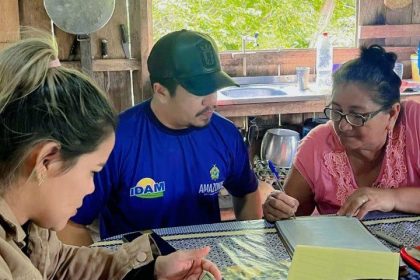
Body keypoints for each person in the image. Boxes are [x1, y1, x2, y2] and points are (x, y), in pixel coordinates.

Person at [0, 32, 221, 279]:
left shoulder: (32, 229)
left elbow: (61, 264)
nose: (91, 188)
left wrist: (151, 270)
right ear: (46, 160)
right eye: (93, 171)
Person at [58, 29, 262, 245]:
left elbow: (247, 192)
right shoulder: (116, 141)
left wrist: (248, 250)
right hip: (138, 268)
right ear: (161, 91)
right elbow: (70, 225)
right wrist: (106, 270)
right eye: (200, 90)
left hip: (205, 265)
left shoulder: (225, 134)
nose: (211, 101)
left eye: (214, 88)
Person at [263, 45, 420, 221]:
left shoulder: (414, 123)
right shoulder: (318, 145)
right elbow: (291, 215)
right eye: (336, 112)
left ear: (392, 114)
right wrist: (277, 210)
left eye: (357, 115)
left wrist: (391, 197)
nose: (343, 127)